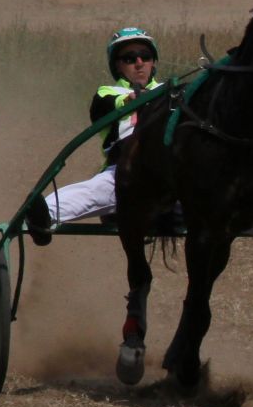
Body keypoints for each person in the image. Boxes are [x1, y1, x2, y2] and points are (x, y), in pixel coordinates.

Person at [25, 27, 165, 245]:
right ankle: (43, 215)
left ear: (153, 62)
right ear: (117, 65)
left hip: (174, 172)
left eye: (145, 56)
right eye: (129, 58)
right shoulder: (107, 93)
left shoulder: (173, 90)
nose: (139, 63)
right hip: (125, 174)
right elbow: (114, 104)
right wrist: (134, 99)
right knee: (92, 191)